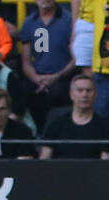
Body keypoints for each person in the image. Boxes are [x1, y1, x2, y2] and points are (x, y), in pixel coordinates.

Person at [20, 0, 76, 132]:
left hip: (62, 79)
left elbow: (75, 59)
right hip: (37, 80)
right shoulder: (29, 22)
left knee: (60, 93)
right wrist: (36, 78)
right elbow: (26, 61)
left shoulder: (69, 21)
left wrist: (57, 76)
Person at [39, 72, 109, 157]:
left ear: (95, 95)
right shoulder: (56, 124)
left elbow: (106, 164)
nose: (84, 95)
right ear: (71, 94)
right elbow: (44, 161)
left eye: (89, 90)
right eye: (80, 90)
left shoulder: (104, 126)